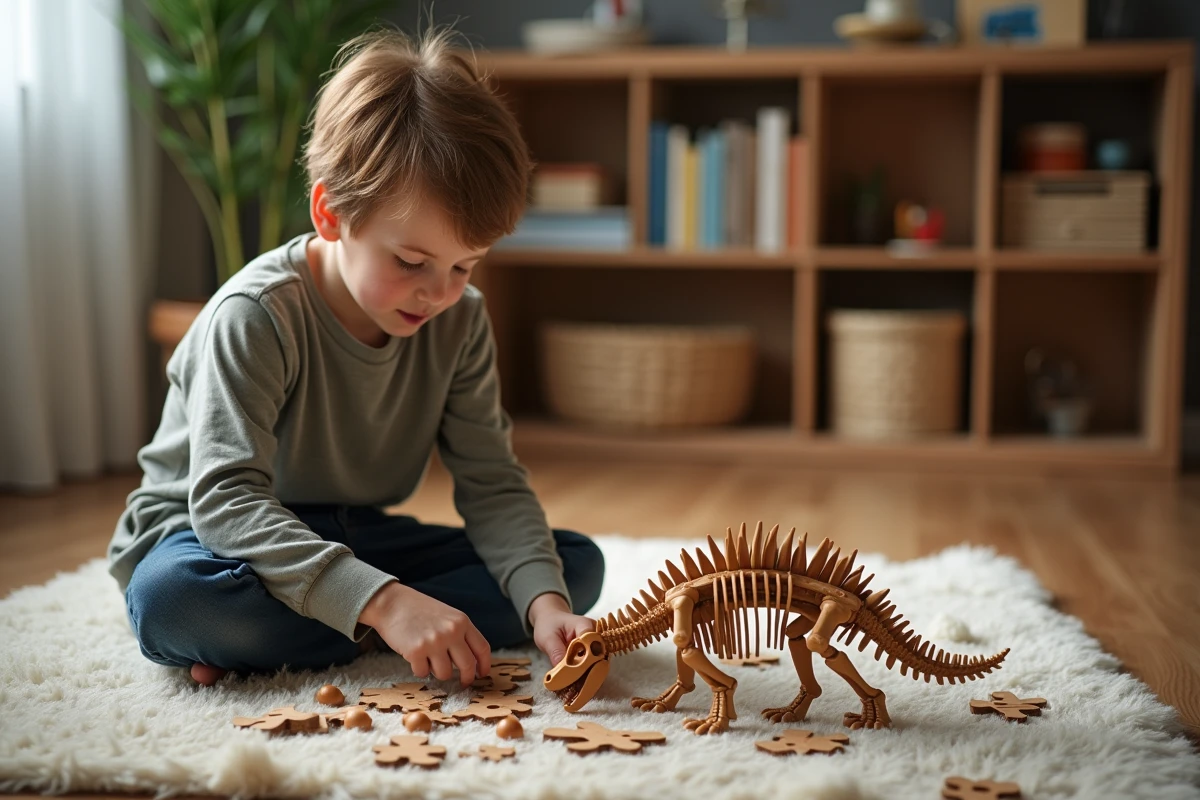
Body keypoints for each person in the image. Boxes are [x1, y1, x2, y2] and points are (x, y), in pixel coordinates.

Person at [107, 26, 605, 688]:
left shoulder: (460, 320)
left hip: (349, 534)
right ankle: (374, 620)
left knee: (572, 569)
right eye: (412, 262)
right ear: (331, 212)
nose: (439, 292)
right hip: (211, 539)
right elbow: (226, 502)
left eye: (465, 265)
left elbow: (492, 482)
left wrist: (545, 608)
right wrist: (389, 600)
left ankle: (284, 638)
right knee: (177, 601)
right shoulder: (255, 317)